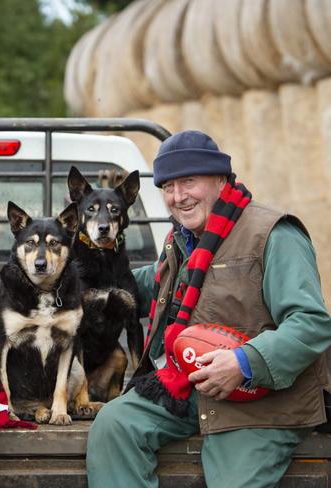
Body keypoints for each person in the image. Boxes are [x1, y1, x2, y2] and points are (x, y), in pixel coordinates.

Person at [86, 130, 331, 487]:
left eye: (188, 181)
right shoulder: (181, 241)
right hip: (188, 388)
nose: (177, 196)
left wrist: (244, 363)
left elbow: (310, 323)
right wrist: (77, 281)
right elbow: (151, 283)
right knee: (113, 426)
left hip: (261, 404)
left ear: (220, 179)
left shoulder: (273, 234)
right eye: (167, 186)